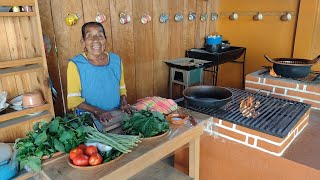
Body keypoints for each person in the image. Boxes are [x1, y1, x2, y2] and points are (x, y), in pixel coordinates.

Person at [67, 22, 131, 122]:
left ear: (105, 39)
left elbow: (121, 87)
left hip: (115, 114)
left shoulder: (116, 60)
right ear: (83, 41)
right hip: (89, 117)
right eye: (89, 36)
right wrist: (97, 111)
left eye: (100, 35)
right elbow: (74, 100)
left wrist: (123, 101)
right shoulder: (76, 64)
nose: (96, 40)